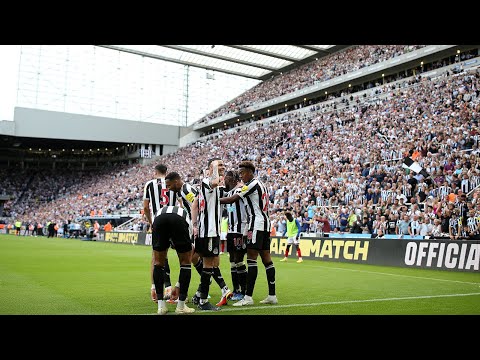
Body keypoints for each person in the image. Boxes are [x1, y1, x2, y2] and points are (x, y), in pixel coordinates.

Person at [221, 160, 278, 307]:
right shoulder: (262, 185)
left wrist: (213, 200)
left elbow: (233, 199)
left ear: (250, 172)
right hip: (265, 224)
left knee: (251, 260)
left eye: (242, 173)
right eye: (239, 173)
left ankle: (248, 296)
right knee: (267, 260)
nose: (241, 176)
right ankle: (272, 295)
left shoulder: (252, 184)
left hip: (256, 225)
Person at [193, 158, 233, 311]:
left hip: (209, 230)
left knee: (210, 264)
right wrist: (215, 170)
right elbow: (215, 182)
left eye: (223, 164)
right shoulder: (207, 181)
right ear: (211, 168)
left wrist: (195, 225)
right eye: (219, 164)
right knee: (209, 264)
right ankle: (203, 301)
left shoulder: (209, 185)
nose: (222, 167)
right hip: (209, 231)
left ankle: (200, 296)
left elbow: (196, 204)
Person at [151, 205, 195, 314]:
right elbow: (190, 254)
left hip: (158, 218)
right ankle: (180, 307)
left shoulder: (160, 213)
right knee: (185, 263)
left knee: (158, 263)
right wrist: (178, 285)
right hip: (179, 219)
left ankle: (161, 307)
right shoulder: (186, 218)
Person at [143, 163, 177, 304]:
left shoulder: (150, 184)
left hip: (158, 221)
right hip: (174, 221)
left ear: (155, 172)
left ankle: (156, 289)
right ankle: (175, 289)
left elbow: (146, 207)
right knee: (184, 255)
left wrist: (151, 223)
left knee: (157, 255)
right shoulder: (173, 182)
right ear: (166, 172)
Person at [223, 170, 249, 301]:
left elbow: (233, 200)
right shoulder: (229, 191)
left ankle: (244, 291)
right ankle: (236, 290)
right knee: (232, 261)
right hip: (231, 231)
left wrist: (215, 201)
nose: (224, 181)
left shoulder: (241, 189)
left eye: (226, 178)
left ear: (232, 179)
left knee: (239, 261)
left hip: (241, 230)